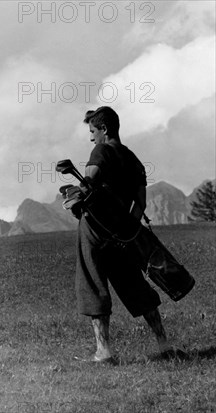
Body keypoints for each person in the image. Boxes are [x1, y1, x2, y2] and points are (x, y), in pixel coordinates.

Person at [74, 106, 181, 363]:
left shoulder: (101, 151)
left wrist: (75, 195)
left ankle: (104, 351)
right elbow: (140, 204)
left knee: (93, 284)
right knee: (134, 284)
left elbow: (88, 185)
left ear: (104, 129)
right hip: (121, 235)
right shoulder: (134, 160)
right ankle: (164, 345)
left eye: (92, 131)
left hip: (94, 230)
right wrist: (124, 230)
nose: (91, 137)